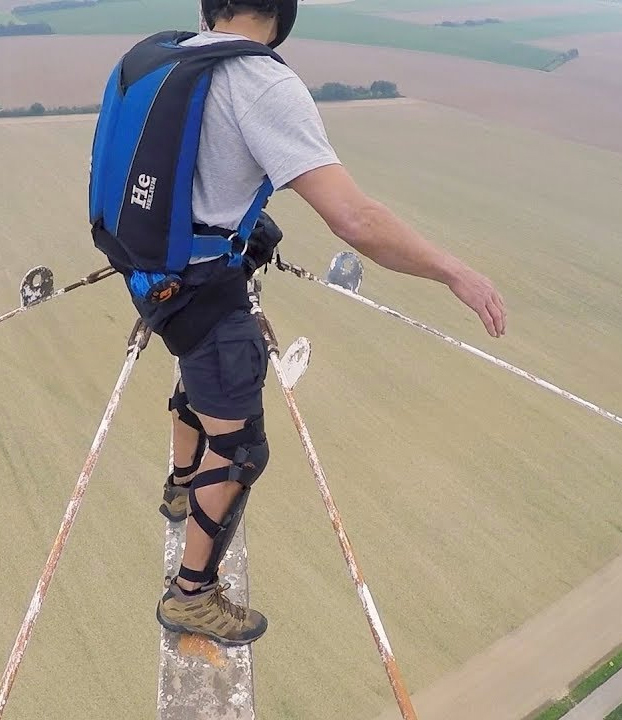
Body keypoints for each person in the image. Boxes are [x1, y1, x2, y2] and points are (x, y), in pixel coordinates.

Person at [91, 0, 506, 647]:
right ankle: (191, 594)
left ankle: (179, 489)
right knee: (240, 447)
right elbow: (356, 221)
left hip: (144, 269)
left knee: (199, 369)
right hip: (198, 289)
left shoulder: (161, 57)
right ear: (282, 14)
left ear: (210, 8)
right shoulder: (261, 81)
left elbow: (182, 175)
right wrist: (454, 271)